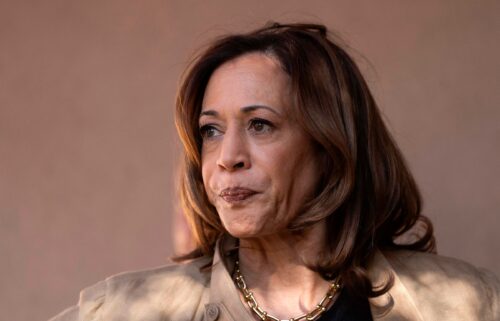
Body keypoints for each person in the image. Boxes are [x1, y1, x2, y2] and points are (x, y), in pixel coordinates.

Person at [49, 22, 499, 321]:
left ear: (330, 146)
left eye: (260, 124)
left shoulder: (468, 304)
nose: (227, 156)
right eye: (210, 130)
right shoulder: (121, 311)